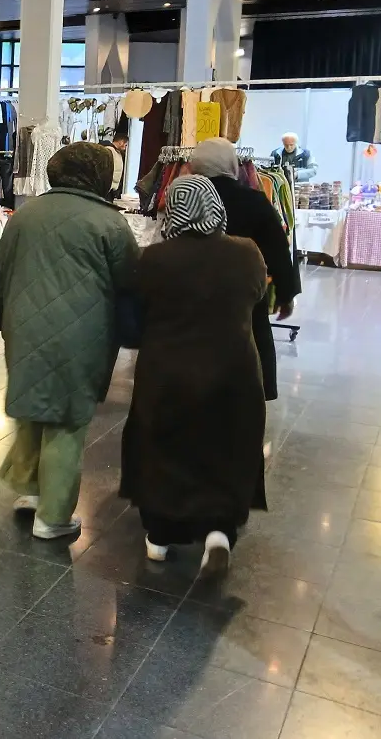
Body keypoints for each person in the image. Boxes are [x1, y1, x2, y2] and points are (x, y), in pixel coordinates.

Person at [0, 143, 139, 539]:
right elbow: (130, 283)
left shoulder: (26, 214)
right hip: (83, 333)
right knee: (67, 420)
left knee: (33, 405)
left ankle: (30, 489)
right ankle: (52, 517)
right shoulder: (110, 223)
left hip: (24, 326)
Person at [120, 175, 269, 575]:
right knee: (226, 445)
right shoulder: (246, 253)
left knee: (163, 446)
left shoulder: (154, 259)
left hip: (166, 371)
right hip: (233, 371)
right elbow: (258, 297)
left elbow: (138, 314)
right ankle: (219, 533)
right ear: (215, 208)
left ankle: (159, 536)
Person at [189, 138, 297, 401]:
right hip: (245, 291)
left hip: (195, 291)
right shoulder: (253, 200)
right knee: (254, 339)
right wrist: (286, 293)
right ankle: (257, 394)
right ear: (231, 163)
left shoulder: (185, 197)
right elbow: (277, 248)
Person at [100, 132, 129, 199]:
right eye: (125, 145)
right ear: (121, 142)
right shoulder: (108, 150)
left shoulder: (117, 152)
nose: (125, 148)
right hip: (106, 189)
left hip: (111, 189)